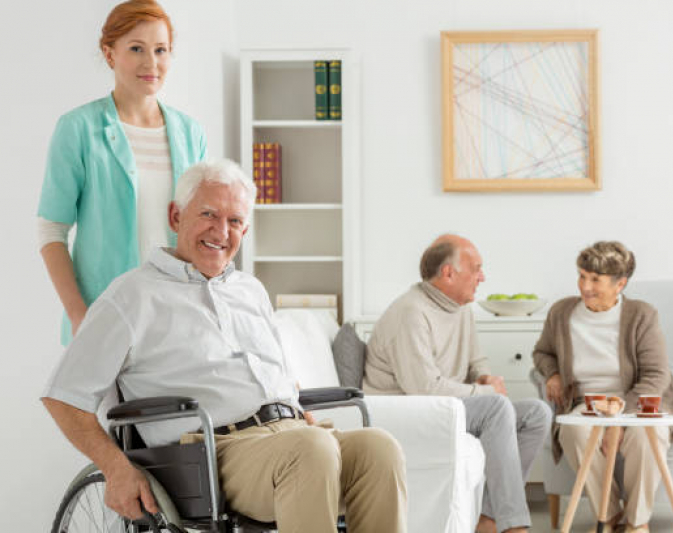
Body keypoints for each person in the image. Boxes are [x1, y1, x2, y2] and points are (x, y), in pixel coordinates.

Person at [41, 160, 407, 533]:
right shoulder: (132, 295)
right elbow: (63, 397)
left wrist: (294, 406)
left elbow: (276, 373)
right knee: (312, 451)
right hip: (212, 453)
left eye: (234, 221)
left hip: (292, 435)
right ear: (175, 216)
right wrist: (116, 468)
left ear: (245, 229)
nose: (221, 231)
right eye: (208, 215)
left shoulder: (250, 290)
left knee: (380, 449)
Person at [38, 0, 206, 344]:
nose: (151, 63)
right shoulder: (78, 129)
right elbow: (51, 230)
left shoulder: (191, 133)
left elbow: (204, 229)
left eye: (161, 50)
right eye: (136, 49)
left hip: (179, 319)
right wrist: (77, 314)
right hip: (104, 320)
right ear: (110, 53)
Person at [363, 234, 551, 533]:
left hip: (444, 405)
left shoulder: (460, 307)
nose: (482, 276)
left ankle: (488, 519)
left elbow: (476, 360)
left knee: (536, 414)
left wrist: (485, 376)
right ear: (448, 273)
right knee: (495, 407)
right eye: (476, 268)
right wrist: (486, 391)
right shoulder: (411, 312)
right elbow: (423, 388)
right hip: (406, 411)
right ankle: (515, 526)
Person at [533, 241, 673, 533]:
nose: (585, 286)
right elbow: (543, 352)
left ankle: (637, 521)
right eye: (581, 276)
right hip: (588, 404)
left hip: (638, 403)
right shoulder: (562, 312)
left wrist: (618, 418)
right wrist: (552, 373)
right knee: (573, 430)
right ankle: (609, 514)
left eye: (595, 280)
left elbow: (656, 374)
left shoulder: (641, 315)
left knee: (646, 435)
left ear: (620, 284)